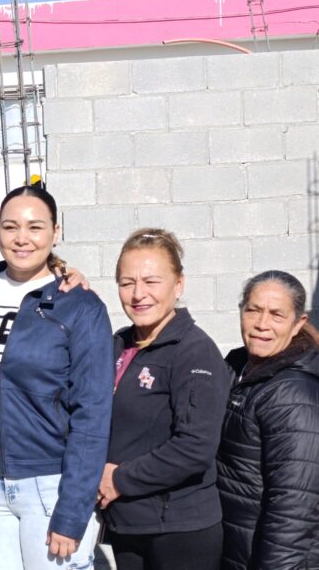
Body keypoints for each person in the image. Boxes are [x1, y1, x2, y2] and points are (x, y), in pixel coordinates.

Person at [0, 184, 112, 569]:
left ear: (55, 232)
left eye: (35, 227)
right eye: (11, 227)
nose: (22, 238)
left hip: (50, 484)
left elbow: (92, 413)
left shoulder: (80, 306)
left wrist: (74, 507)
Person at [98, 228, 232, 570]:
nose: (138, 294)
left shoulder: (194, 351)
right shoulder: (119, 345)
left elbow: (195, 447)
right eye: (127, 283)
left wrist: (119, 479)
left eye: (151, 281)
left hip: (179, 530)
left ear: (179, 284)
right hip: (128, 524)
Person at [217, 270, 319, 570]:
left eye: (276, 315)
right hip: (244, 552)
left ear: (298, 324)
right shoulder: (238, 367)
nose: (262, 324)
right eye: (253, 310)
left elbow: (293, 507)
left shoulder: (297, 395)